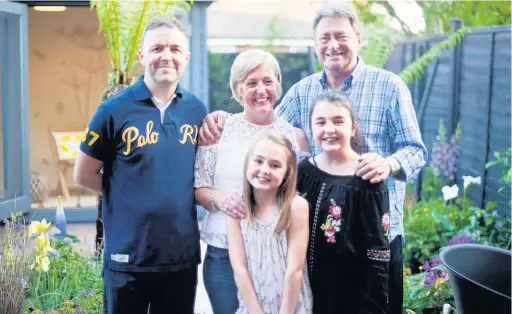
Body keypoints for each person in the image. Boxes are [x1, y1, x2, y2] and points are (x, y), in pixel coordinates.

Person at [198, 3, 427, 312]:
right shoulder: (302, 91)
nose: (333, 45)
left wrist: (389, 163)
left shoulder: (389, 86)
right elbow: (264, 130)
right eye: (324, 38)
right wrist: (224, 119)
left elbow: (416, 150)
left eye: (341, 36)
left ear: (358, 39)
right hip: (321, 237)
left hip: (374, 233)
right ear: (315, 44)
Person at [74, 17, 205, 314]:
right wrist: (126, 191)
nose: (166, 56)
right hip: (127, 256)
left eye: (175, 49)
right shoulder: (113, 110)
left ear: (186, 57)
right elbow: (83, 173)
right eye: (157, 47)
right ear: (142, 55)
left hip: (180, 257)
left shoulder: (197, 110)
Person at [194, 49, 306, 314]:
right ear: (237, 89)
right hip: (223, 252)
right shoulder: (219, 130)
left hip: (274, 253)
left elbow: (295, 195)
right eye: (251, 83)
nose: (261, 90)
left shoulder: (294, 138)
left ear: (278, 84)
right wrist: (219, 199)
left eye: (268, 81)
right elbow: (198, 188)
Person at [297, 91, 390, 313]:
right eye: (321, 122)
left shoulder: (367, 179)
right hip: (305, 289)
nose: (329, 129)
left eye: (338, 121)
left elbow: (378, 253)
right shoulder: (303, 172)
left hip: (351, 295)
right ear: (311, 128)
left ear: (353, 127)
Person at [227, 132, 313, 314]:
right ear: (248, 163)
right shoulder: (237, 208)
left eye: (275, 165)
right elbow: (239, 268)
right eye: (258, 161)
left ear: (287, 173)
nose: (264, 170)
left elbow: (294, 269)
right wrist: (254, 310)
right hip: (253, 304)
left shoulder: (295, 207)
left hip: (291, 306)